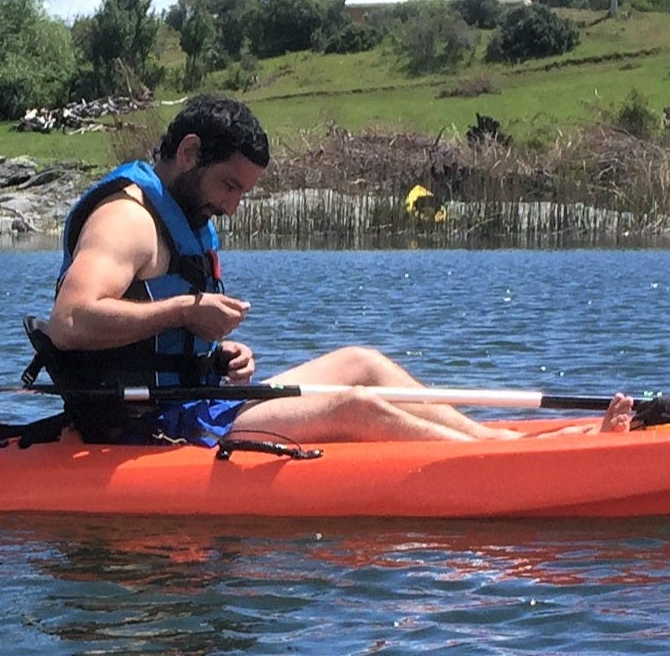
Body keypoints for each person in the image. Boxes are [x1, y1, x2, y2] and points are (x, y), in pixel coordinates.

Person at [34, 94, 546, 446]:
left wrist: (218, 357)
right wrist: (182, 313)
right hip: (150, 427)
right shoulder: (127, 218)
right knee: (351, 405)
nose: (233, 207)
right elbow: (70, 322)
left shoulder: (186, 215)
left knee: (360, 363)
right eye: (229, 186)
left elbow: (166, 331)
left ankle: (492, 439)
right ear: (190, 152)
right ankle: (491, 459)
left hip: (196, 405)